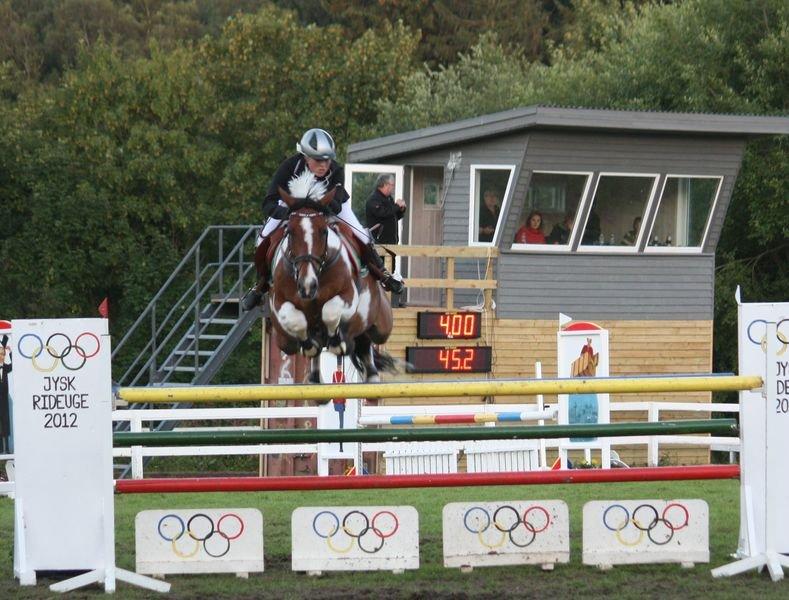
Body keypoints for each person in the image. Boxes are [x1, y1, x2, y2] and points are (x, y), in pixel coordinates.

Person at [242, 128, 404, 310]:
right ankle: (260, 285)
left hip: (328, 206)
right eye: (318, 160)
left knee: (362, 235)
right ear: (305, 157)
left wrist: (319, 208)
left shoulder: (336, 170)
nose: (324, 165)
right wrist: (288, 213)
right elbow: (269, 203)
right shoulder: (289, 167)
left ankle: (383, 274)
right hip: (292, 206)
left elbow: (336, 202)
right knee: (262, 238)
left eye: (327, 159)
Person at [365, 174, 406, 244]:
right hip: (378, 242)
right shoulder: (374, 199)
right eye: (392, 185)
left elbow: (393, 216)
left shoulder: (389, 198)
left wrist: (401, 210)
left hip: (391, 242)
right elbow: (382, 213)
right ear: (385, 185)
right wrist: (397, 206)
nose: (393, 187)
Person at [0, 337, 11, 455]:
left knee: (5, 423)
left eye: (3, 354)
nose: (2, 356)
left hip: (4, 401)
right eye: (0, 354)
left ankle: (7, 448)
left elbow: (15, 365)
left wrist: (10, 351)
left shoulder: (6, 367)